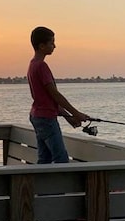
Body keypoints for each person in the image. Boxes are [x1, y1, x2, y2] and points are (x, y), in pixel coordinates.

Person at [27, 26, 92, 164]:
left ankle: (41, 185)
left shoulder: (32, 65)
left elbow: (47, 99)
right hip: (46, 119)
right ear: (42, 46)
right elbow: (55, 95)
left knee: (44, 159)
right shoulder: (41, 66)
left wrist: (68, 117)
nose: (54, 46)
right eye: (52, 43)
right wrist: (76, 113)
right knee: (61, 160)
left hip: (37, 116)